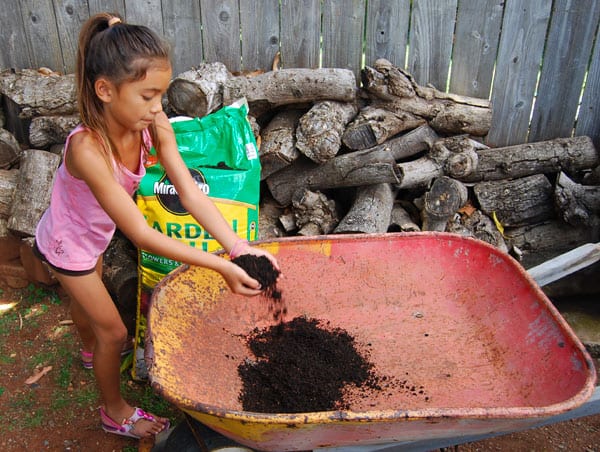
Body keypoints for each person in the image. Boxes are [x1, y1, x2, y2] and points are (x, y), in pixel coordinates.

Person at [33, 12, 279, 440]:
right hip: (65, 243)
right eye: (148, 95)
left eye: (161, 95)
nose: (157, 108)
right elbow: (143, 235)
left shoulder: (149, 124)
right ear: (105, 90)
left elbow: (189, 192)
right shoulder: (88, 150)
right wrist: (220, 265)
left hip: (93, 234)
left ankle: (90, 349)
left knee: (88, 293)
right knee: (115, 331)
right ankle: (114, 411)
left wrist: (237, 247)